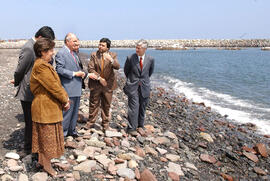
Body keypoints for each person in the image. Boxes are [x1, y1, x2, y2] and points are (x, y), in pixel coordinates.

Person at [30, 38, 70, 177]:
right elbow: (53, 86)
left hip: (47, 107)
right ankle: (47, 166)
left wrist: (64, 99)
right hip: (44, 108)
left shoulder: (42, 64)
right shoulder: (41, 66)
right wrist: (65, 99)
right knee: (46, 139)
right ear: (42, 52)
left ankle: (42, 162)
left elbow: (55, 85)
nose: (53, 53)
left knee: (44, 138)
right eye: (51, 50)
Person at [13, 26, 55, 154]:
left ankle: (34, 146)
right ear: (40, 38)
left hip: (36, 90)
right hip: (28, 91)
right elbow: (20, 69)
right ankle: (28, 149)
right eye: (47, 42)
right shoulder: (28, 47)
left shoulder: (37, 47)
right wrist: (17, 81)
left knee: (35, 120)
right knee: (30, 121)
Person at [55, 33, 91, 137]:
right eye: (75, 41)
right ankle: (63, 134)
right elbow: (59, 70)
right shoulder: (61, 53)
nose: (77, 42)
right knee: (66, 113)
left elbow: (77, 67)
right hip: (68, 87)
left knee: (75, 112)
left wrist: (83, 73)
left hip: (77, 87)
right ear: (67, 41)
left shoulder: (74, 53)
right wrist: (75, 74)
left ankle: (72, 130)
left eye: (77, 41)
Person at [85, 38, 120, 131]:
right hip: (96, 83)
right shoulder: (94, 55)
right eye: (99, 44)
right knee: (93, 104)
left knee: (106, 105)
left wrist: (111, 60)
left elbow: (117, 66)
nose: (100, 46)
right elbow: (90, 69)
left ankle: (105, 124)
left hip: (108, 85)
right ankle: (90, 122)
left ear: (107, 48)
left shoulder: (113, 55)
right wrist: (100, 78)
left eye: (102, 45)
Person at [123, 39, 155, 136]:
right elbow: (126, 71)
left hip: (144, 86)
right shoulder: (130, 58)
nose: (136, 50)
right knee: (133, 107)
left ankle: (140, 125)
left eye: (139, 48)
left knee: (143, 107)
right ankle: (131, 128)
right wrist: (132, 80)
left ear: (144, 49)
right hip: (133, 86)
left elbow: (150, 72)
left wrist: (143, 81)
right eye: (136, 47)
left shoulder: (150, 59)